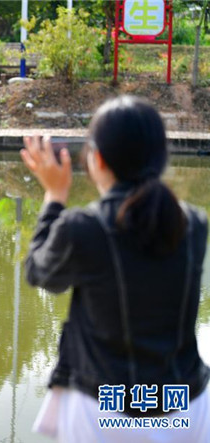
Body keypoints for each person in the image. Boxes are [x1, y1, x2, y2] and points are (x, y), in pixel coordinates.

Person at [21, 96, 210, 442]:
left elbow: (40, 272)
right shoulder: (195, 223)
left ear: (98, 159)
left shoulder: (83, 228)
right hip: (187, 403)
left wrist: (55, 196)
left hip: (108, 412)